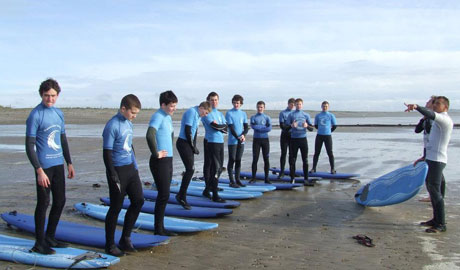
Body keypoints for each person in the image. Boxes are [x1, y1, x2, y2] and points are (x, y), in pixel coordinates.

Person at [26, 78, 75, 255]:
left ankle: (50, 237)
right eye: (47, 96)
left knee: (60, 201)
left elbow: (62, 139)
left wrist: (69, 162)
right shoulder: (35, 115)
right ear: (41, 95)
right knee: (44, 203)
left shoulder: (58, 113)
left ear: (58, 95)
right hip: (44, 168)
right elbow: (29, 145)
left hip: (58, 165)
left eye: (53, 96)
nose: (50, 99)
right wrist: (38, 170)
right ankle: (39, 243)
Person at [102, 94, 144, 256]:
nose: (134, 116)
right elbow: (107, 153)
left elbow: (130, 145)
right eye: (133, 113)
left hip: (130, 169)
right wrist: (113, 175)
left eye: (136, 113)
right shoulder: (112, 125)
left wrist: (135, 166)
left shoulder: (128, 123)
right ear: (123, 109)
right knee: (115, 208)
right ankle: (110, 244)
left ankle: (125, 238)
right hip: (117, 170)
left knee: (138, 200)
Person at [405, 96, 453, 233]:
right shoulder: (436, 121)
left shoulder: (444, 119)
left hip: (437, 160)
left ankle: (441, 224)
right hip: (432, 158)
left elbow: (430, 114)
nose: (435, 105)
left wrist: (417, 107)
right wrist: (424, 157)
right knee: (434, 190)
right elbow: (430, 142)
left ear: (445, 107)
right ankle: (435, 219)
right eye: (435, 103)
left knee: (434, 191)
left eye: (438, 104)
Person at [147, 90, 178, 236]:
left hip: (168, 159)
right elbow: (150, 134)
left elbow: (170, 134)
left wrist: (169, 149)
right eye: (171, 106)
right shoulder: (158, 116)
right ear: (163, 104)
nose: (174, 108)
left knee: (165, 194)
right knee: (163, 194)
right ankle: (158, 229)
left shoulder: (167, 117)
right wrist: (156, 152)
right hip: (159, 161)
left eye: (175, 106)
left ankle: (161, 227)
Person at [176, 101, 211, 210]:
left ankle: (181, 195)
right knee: (190, 169)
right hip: (183, 142)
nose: (205, 115)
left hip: (188, 143)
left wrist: (194, 146)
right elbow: (187, 131)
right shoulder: (192, 112)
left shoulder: (198, 115)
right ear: (201, 108)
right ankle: (181, 196)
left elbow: (194, 132)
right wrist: (192, 147)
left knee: (190, 169)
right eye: (205, 113)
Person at [414, 96, 446, 202]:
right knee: (437, 176)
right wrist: (423, 118)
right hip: (429, 150)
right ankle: (437, 197)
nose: (426, 103)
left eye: (428, 102)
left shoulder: (435, 120)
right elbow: (417, 130)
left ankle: (437, 197)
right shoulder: (427, 119)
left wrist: (417, 107)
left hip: (435, 153)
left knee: (435, 178)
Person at [201, 92, 227, 202]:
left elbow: (226, 129)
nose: (214, 102)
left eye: (216, 100)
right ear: (208, 101)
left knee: (219, 167)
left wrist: (221, 127)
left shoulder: (220, 114)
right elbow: (216, 126)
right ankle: (214, 194)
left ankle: (209, 188)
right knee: (213, 167)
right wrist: (221, 126)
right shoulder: (207, 113)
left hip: (220, 142)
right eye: (212, 100)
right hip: (211, 142)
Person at [287, 98, 313, 185]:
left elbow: (312, 129)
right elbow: (285, 128)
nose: (298, 106)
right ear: (295, 105)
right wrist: (291, 125)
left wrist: (307, 126)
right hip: (294, 140)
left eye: (300, 104)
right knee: (292, 160)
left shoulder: (306, 115)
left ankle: (306, 179)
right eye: (297, 104)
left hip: (303, 140)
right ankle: (292, 178)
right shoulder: (291, 115)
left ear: (302, 105)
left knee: (305, 160)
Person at [226, 95, 249, 188]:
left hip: (241, 140)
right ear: (232, 103)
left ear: (241, 104)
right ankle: (231, 181)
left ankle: (238, 180)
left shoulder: (243, 114)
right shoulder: (229, 113)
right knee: (232, 159)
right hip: (232, 141)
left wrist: (243, 135)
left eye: (238, 103)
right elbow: (231, 128)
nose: (236, 104)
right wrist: (238, 137)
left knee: (238, 160)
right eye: (234, 102)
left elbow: (246, 127)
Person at [311, 101, 337, 174]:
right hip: (319, 136)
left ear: (328, 107)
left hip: (328, 136)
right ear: (321, 107)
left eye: (326, 106)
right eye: (323, 106)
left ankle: (332, 169)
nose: (324, 107)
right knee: (316, 152)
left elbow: (335, 126)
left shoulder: (331, 115)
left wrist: (328, 131)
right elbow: (316, 125)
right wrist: (321, 130)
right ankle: (313, 168)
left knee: (330, 152)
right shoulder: (318, 115)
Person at [249, 101, 272, 184]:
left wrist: (259, 128)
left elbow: (269, 128)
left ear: (264, 108)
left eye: (261, 107)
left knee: (266, 159)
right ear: (256, 107)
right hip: (256, 140)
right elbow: (253, 126)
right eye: (258, 107)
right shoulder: (253, 117)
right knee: (255, 159)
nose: (260, 109)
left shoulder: (267, 118)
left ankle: (267, 178)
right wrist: (263, 127)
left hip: (265, 140)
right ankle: (253, 178)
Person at [278, 98, 295, 179]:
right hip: (285, 135)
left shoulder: (295, 113)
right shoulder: (283, 113)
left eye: (294, 105)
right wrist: (290, 126)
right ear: (288, 104)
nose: (292, 106)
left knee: (292, 155)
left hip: (293, 136)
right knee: (283, 153)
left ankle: (292, 171)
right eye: (291, 104)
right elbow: (282, 126)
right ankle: (282, 172)